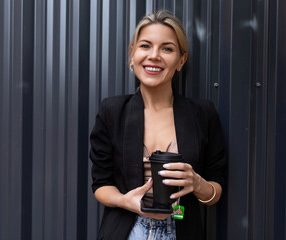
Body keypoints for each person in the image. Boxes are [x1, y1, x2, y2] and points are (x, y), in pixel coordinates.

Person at [90, 10, 226, 240]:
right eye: (145, 46)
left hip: (181, 231)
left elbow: (216, 190)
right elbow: (101, 184)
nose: (154, 55)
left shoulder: (203, 114)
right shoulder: (112, 111)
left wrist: (197, 183)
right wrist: (125, 201)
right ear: (132, 54)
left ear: (181, 61)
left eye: (167, 48)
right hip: (127, 231)